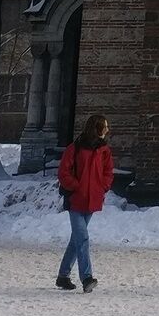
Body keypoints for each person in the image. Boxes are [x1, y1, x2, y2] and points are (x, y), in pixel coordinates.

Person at [56, 114, 114, 292]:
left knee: (77, 239)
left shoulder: (104, 150)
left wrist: (101, 187)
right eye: (104, 127)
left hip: (92, 199)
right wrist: (76, 186)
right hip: (76, 200)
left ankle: (63, 276)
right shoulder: (75, 148)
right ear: (95, 128)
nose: (107, 130)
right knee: (82, 239)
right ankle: (86, 277)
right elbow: (64, 171)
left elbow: (108, 172)